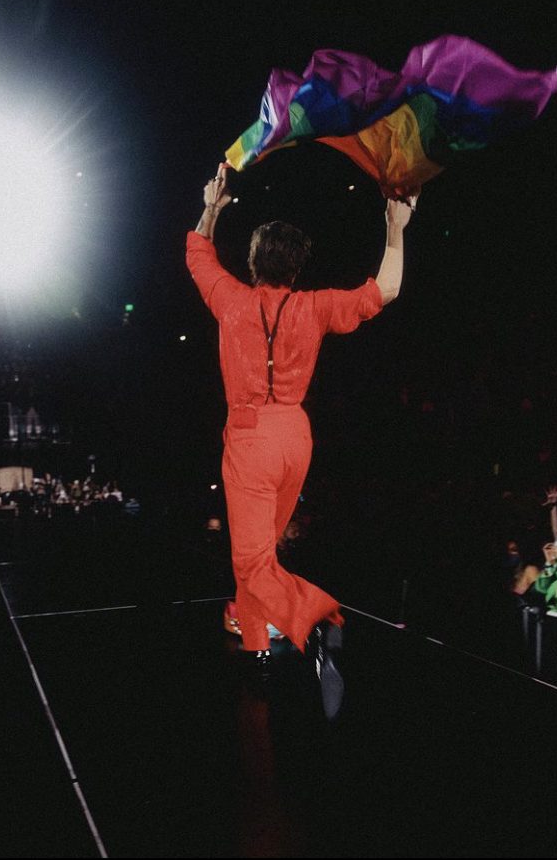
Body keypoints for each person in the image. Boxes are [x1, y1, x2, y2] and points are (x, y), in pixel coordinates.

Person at [186, 163, 415, 718]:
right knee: (256, 556)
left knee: (255, 559)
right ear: (296, 267)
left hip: (250, 437)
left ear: (254, 262)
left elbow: (196, 250)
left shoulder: (230, 299)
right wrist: (396, 226)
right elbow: (387, 288)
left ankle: (317, 621)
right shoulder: (313, 308)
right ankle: (257, 649)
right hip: (295, 437)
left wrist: (213, 206)